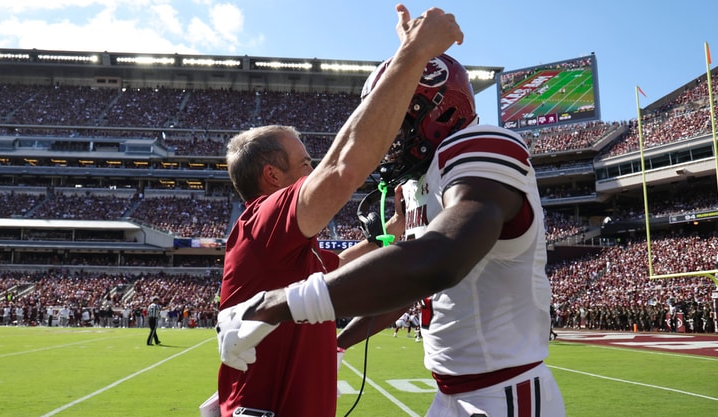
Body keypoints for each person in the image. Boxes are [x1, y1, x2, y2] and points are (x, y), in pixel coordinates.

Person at [218, 50, 566, 417]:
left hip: (502, 390)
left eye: (396, 118)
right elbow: (408, 285)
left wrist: (279, 305)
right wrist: (340, 342)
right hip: (452, 388)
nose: (387, 138)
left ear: (437, 112)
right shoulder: (422, 182)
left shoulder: (478, 145)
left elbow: (438, 260)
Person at [214, 5, 464, 417]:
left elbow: (337, 267)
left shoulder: (285, 250)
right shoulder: (261, 222)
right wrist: (415, 51)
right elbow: (342, 168)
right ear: (273, 177)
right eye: (304, 163)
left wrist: (383, 235)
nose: (312, 169)